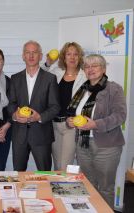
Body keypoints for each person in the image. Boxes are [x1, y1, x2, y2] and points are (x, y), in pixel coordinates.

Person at [66, 54, 126, 208]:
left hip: (107, 147)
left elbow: (120, 116)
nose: (90, 69)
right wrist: (70, 121)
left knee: (105, 188)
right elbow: (74, 113)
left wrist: (95, 124)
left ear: (104, 68)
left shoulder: (114, 88)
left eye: (95, 65)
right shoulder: (82, 90)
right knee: (87, 185)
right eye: (87, 66)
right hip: (83, 144)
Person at [7, 40, 60, 171]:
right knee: (19, 175)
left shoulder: (50, 78)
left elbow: (55, 106)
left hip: (41, 135)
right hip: (19, 135)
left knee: (45, 175)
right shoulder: (15, 78)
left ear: (41, 56)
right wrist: (15, 115)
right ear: (23, 56)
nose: (31, 56)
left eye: (34, 52)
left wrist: (39, 117)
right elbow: (11, 103)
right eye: (27, 53)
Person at [42, 42, 87, 171]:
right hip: (54, 125)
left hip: (71, 126)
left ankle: (63, 188)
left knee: (64, 166)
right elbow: (39, 76)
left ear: (80, 57)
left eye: (75, 54)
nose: (72, 57)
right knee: (57, 165)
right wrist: (48, 63)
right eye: (69, 54)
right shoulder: (56, 72)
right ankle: (59, 190)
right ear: (63, 57)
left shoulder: (84, 76)